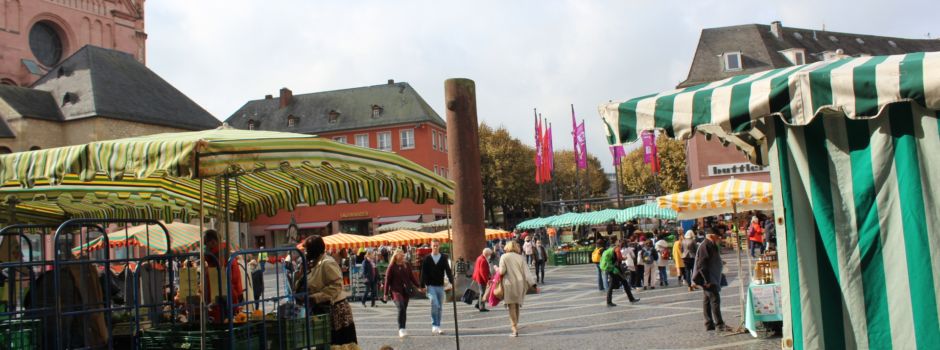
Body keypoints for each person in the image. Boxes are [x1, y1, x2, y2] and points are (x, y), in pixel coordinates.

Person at [302, 235, 360, 348]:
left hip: (337, 311)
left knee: (341, 345)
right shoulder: (315, 263)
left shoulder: (327, 263)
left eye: (307, 250)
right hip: (324, 310)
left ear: (313, 250)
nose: (305, 252)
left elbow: (336, 285)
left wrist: (316, 297)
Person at [692, 227, 731, 332]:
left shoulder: (711, 244)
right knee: (715, 300)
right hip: (709, 279)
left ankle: (709, 323)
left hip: (711, 277)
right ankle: (719, 324)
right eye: (718, 236)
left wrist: (719, 262)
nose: (719, 238)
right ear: (712, 236)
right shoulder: (706, 245)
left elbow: (709, 260)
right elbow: (701, 264)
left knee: (707, 301)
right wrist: (707, 280)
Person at [498, 240, 537, 337]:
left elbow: (502, 271)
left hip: (509, 284)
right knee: (516, 305)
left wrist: (496, 269)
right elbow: (527, 273)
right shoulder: (521, 257)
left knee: (511, 306)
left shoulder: (504, 257)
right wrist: (534, 285)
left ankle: (514, 329)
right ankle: (516, 326)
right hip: (520, 285)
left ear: (507, 247)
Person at [384, 248, 422, 338]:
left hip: (406, 291)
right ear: (396, 256)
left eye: (402, 254)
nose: (402, 255)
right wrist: (385, 294)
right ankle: (400, 329)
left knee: (404, 309)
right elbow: (387, 281)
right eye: (400, 254)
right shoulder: (391, 267)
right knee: (400, 307)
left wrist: (419, 286)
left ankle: (403, 328)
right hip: (395, 291)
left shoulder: (407, 265)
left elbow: (412, 277)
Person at [419, 239, 453, 335]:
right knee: (435, 304)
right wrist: (422, 285)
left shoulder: (443, 258)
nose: (435, 247)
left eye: (437, 245)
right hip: (430, 286)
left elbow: (448, 270)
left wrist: (452, 281)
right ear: (431, 246)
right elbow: (423, 272)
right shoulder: (427, 258)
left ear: (439, 246)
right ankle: (434, 325)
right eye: (434, 245)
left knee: (440, 307)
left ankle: (438, 326)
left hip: (440, 285)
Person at [601, 237, 639, 306]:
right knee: (619, 283)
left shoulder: (610, 248)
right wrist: (624, 258)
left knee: (622, 283)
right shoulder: (617, 248)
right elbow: (619, 258)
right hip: (615, 269)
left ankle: (631, 298)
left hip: (611, 268)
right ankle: (609, 302)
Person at [472, 248, 493, 312]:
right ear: (487, 254)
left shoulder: (479, 257)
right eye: (489, 254)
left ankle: (478, 304)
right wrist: (486, 281)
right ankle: (482, 307)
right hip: (481, 278)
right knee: (483, 293)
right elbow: (483, 272)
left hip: (478, 277)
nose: (490, 255)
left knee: (482, 292)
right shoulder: (483, 260)